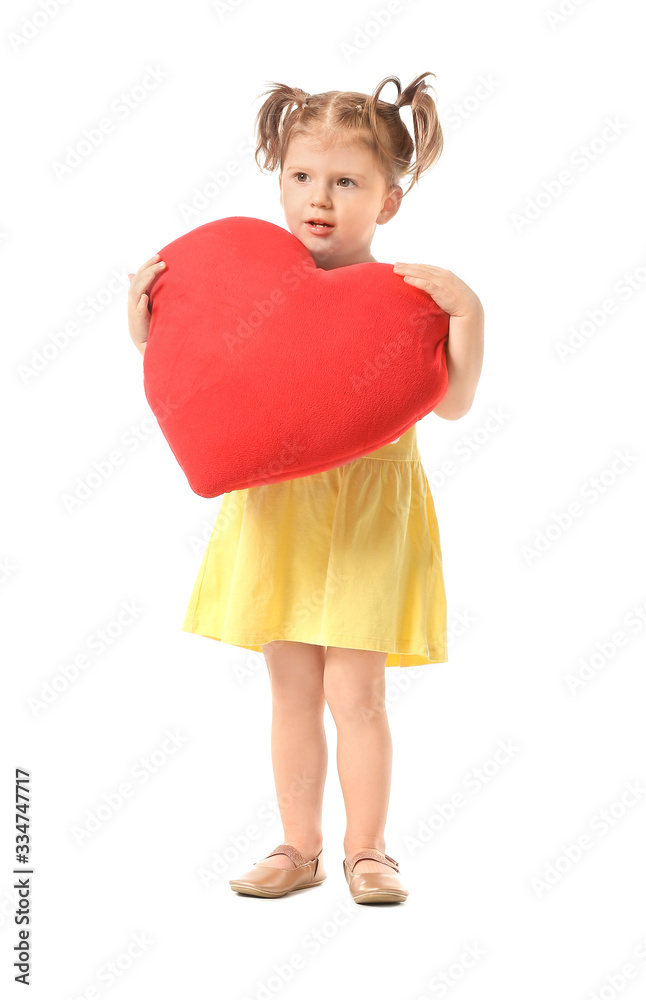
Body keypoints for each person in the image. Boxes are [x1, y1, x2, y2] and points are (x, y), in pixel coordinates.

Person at [127, 72, 484, 904]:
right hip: (281, 506)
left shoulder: (410, 301)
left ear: (388, 201)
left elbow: (457, 403)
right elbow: (198, 387)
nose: (319, 200)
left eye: (347, 182)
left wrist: (468, 313)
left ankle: (369, 851)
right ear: (279, 179)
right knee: (291, 687)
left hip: (366, 519)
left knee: (355, 691)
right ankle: (298, 846)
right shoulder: (239, 285)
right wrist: (146, 321)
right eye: (301, 178)